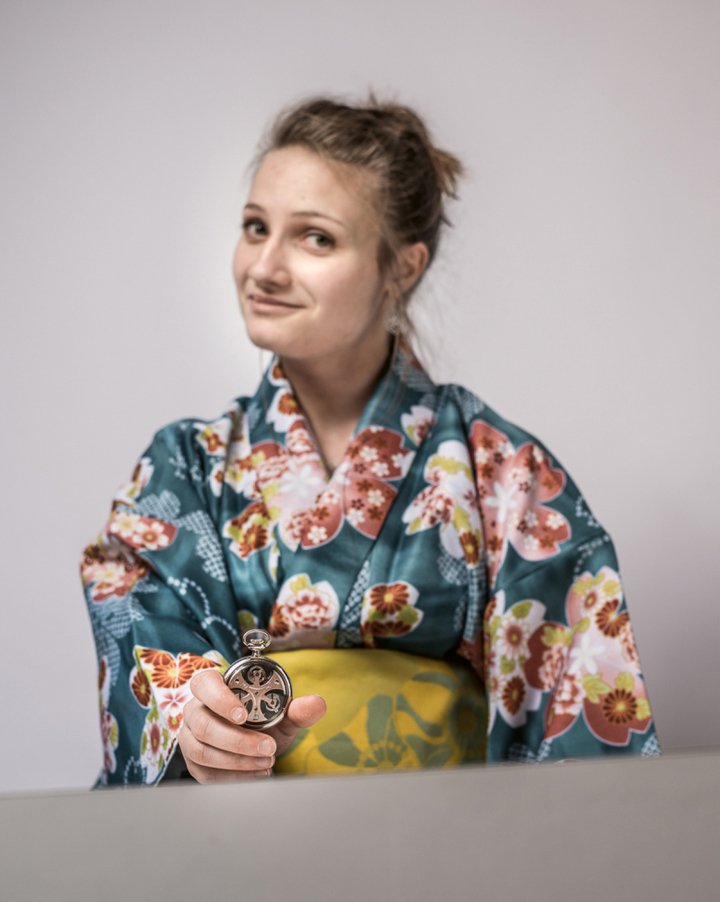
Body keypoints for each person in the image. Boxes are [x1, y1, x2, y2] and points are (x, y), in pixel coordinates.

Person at [81, 96, 659, 786]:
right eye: (255, 227)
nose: (263, 267)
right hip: (239, 862)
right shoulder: (183, 471)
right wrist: (193, 723)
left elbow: (581, 722)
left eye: (315, 237)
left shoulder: (504, 475)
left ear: (402, 267)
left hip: (447, 860)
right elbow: (145, 639)